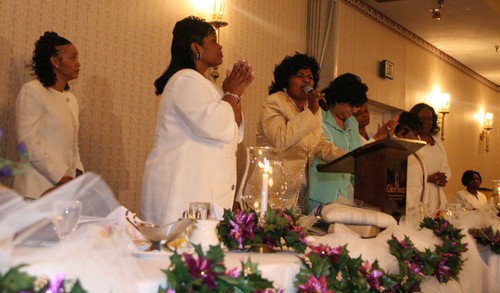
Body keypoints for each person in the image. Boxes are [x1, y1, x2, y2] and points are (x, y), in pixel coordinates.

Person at [141, 16, 254, 224]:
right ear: (196, 47)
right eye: (212, 40)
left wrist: (232, 94)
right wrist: (233, 93)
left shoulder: (206, 85)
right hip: (182, 194)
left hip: (202, 193)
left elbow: (232, 129)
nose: (220, 45)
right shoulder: (185, 80)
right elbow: (218, 125)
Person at [256, 53, 344, 213]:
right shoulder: (275, 102)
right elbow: (279, 139)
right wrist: (311, 110)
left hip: (299, 193)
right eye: (300, 76)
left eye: (310, 77)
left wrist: (353, 158)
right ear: (286, 80)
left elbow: (321, 146)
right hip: (272, 192)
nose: (307, 81)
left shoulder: (312, 110)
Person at [14, 32, 84, 199]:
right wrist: (59, 175)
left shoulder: (71, 99)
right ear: (55, 61)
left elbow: (73, 144)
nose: (78, 63)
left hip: (63, 191)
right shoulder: (33, 91)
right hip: (35, 191)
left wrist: (78, 173)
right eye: (73, 58)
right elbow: (27, 142)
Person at [309, 73, 369, 211]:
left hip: (344, 197)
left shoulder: (352, 123)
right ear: (338, 99)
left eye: (357, 106)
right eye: (352, 105)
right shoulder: (318, 116)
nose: (354, 110)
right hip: (318, 195)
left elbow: (358, 156)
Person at [410, 103, 451, 213]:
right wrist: (427, 178)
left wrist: (443, 177)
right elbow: (408, 168)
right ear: (415, 119)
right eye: (422, 118)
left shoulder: (437, 141)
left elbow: (445, 165)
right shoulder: (411, 140)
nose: (427, 122)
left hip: (437, 193)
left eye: (429, 118)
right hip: (419, 192)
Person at [394, 111, 428, 216]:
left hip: (417, 211)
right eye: (415, 134)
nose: (416, 138)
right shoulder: (394, 151)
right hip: (402, 211)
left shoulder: (417, 151)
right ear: (402, 132)